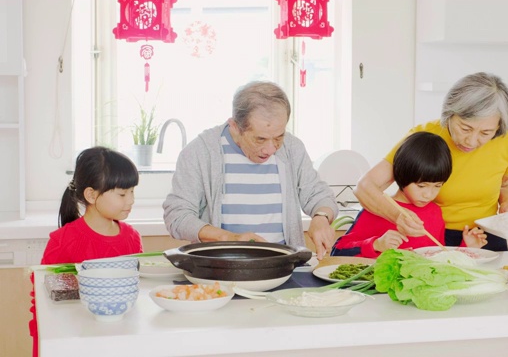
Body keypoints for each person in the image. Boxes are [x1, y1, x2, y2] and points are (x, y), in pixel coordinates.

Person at [163, 81, 338, 259]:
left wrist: (321, 217)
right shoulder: (201, 151)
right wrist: (229, 239)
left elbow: (319, 194)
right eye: (260, 139)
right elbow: (177, 215)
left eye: (279, 137)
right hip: (220, 268)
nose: (271, 149)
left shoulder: (293, 148)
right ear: (235, 127)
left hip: (283, 268)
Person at [354, 72, 508, 252]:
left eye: (485, 133)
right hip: (436, 236)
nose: (472, 141)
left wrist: (507, 203)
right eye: (465, 128)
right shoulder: (425, 138)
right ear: (449, 114)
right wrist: (398, 217)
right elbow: (365, 187)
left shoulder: (505, 135)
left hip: (487, 235)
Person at [32, 146, 143, 357]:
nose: (131, 200)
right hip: (76, 343)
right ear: (91, 195)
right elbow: (43, 302)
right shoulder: (63, 241)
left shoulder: (132, 238)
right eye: (122, 193)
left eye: (132, 191)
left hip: (120, 342)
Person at [331, 132, 487, 258]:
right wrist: (376, 245)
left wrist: (467, 247)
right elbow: (338, 252)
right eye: (421, 186)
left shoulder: (434, 212)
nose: (428, 194)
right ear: (402, 175)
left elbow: (439, 257)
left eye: (437, 186)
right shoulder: (376, 209)